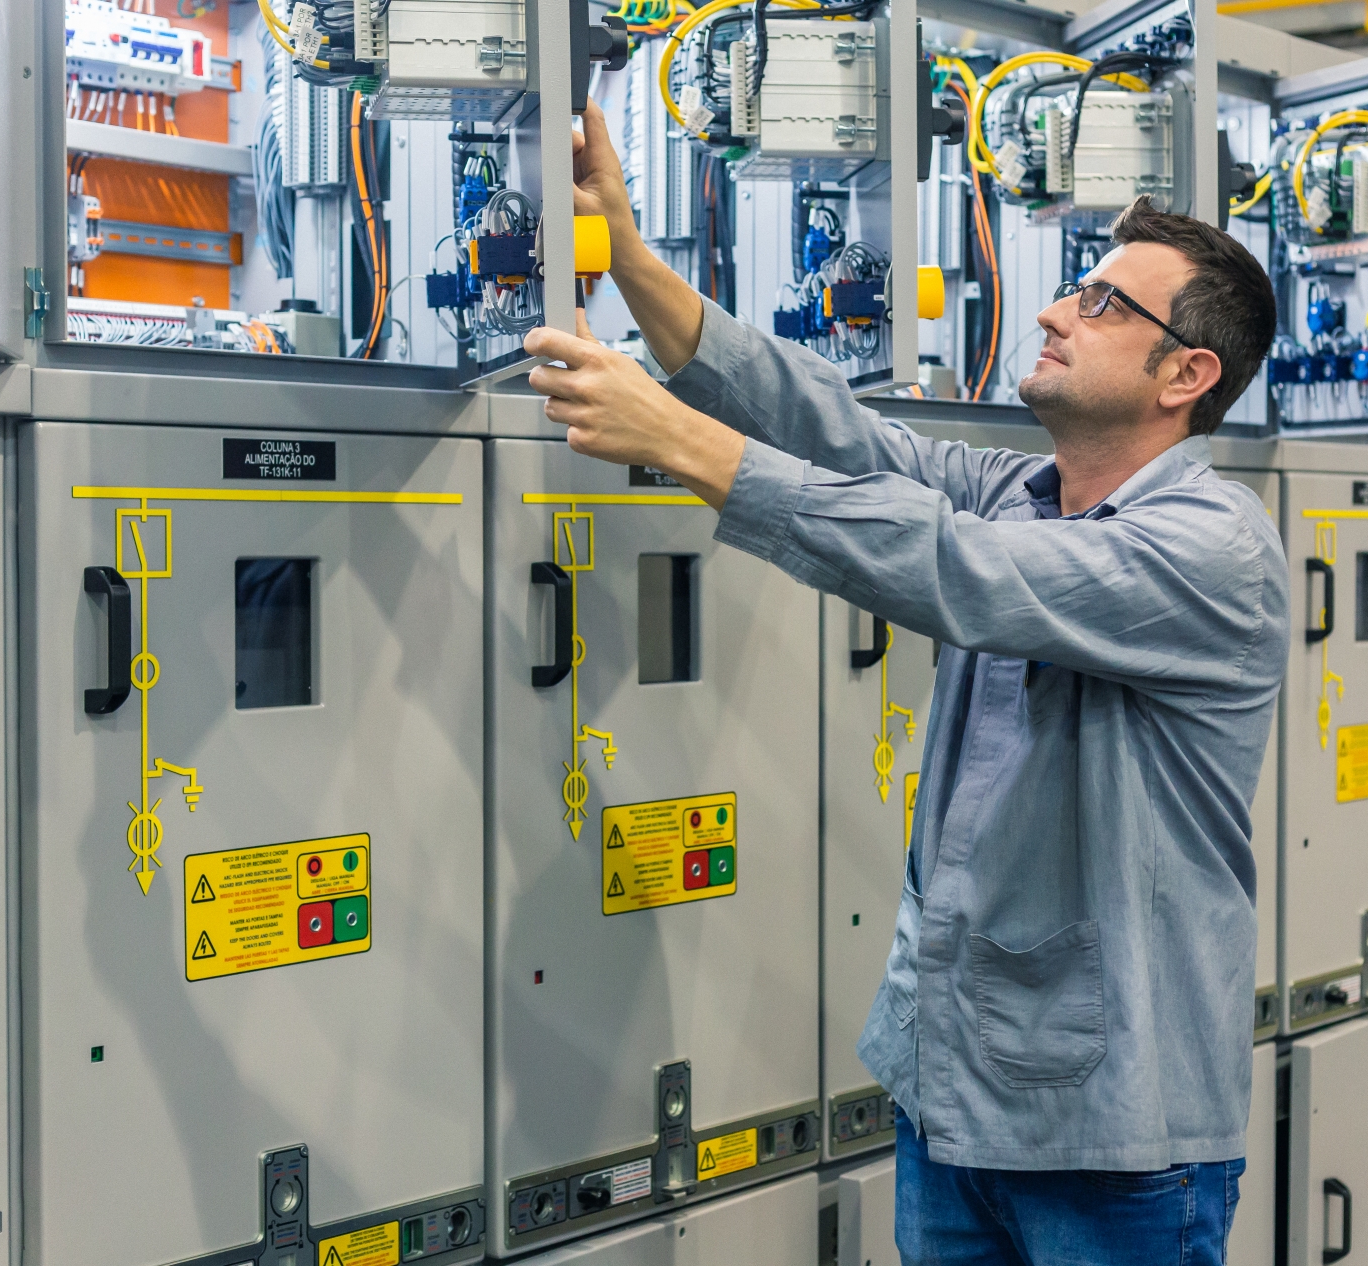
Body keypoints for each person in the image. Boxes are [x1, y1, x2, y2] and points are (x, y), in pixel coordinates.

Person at [524, 101, 1288, 1266]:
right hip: (953, 1098)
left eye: (1099, 303)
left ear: (1187, 372)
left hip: (1115, 1141)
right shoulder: (1026, 491)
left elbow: (958, 572)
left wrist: (673, 438)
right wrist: (627, 259)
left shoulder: (1209, 546)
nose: (1050, 309)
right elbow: (837, 437)